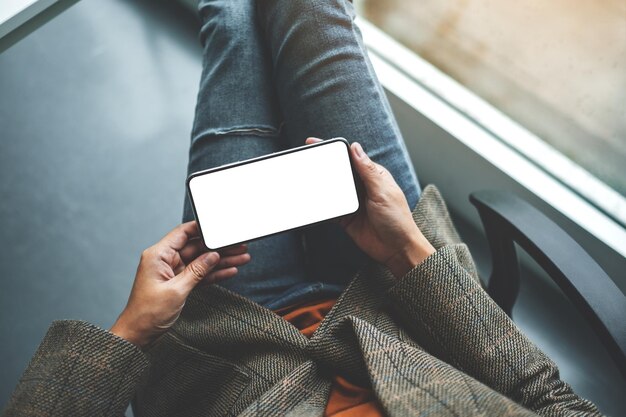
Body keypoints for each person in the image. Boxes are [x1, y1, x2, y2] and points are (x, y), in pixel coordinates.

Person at [2, 0, 602, 416]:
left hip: (236, 339)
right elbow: (550, 401)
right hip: (408, 298)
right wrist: (406, 249)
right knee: (314, 11)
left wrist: (133, 332)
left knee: (232, 19)